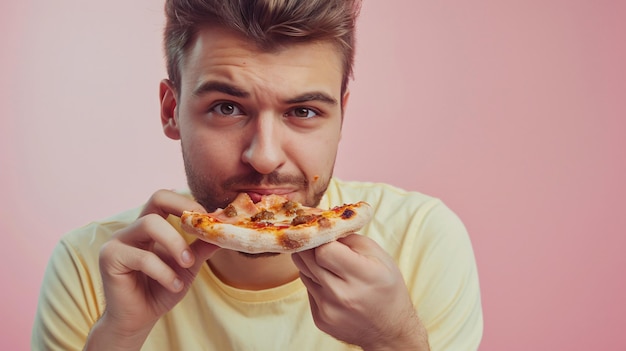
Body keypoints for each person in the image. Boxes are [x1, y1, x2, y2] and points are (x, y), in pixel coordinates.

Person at [31, 0, 483, 350]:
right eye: (227, 108)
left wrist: (393, 340)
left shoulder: (422, 239)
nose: (264, 157)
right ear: (171, 111)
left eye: (303, 111)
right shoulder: (92, 264)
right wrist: (119, 338)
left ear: (341, 117)